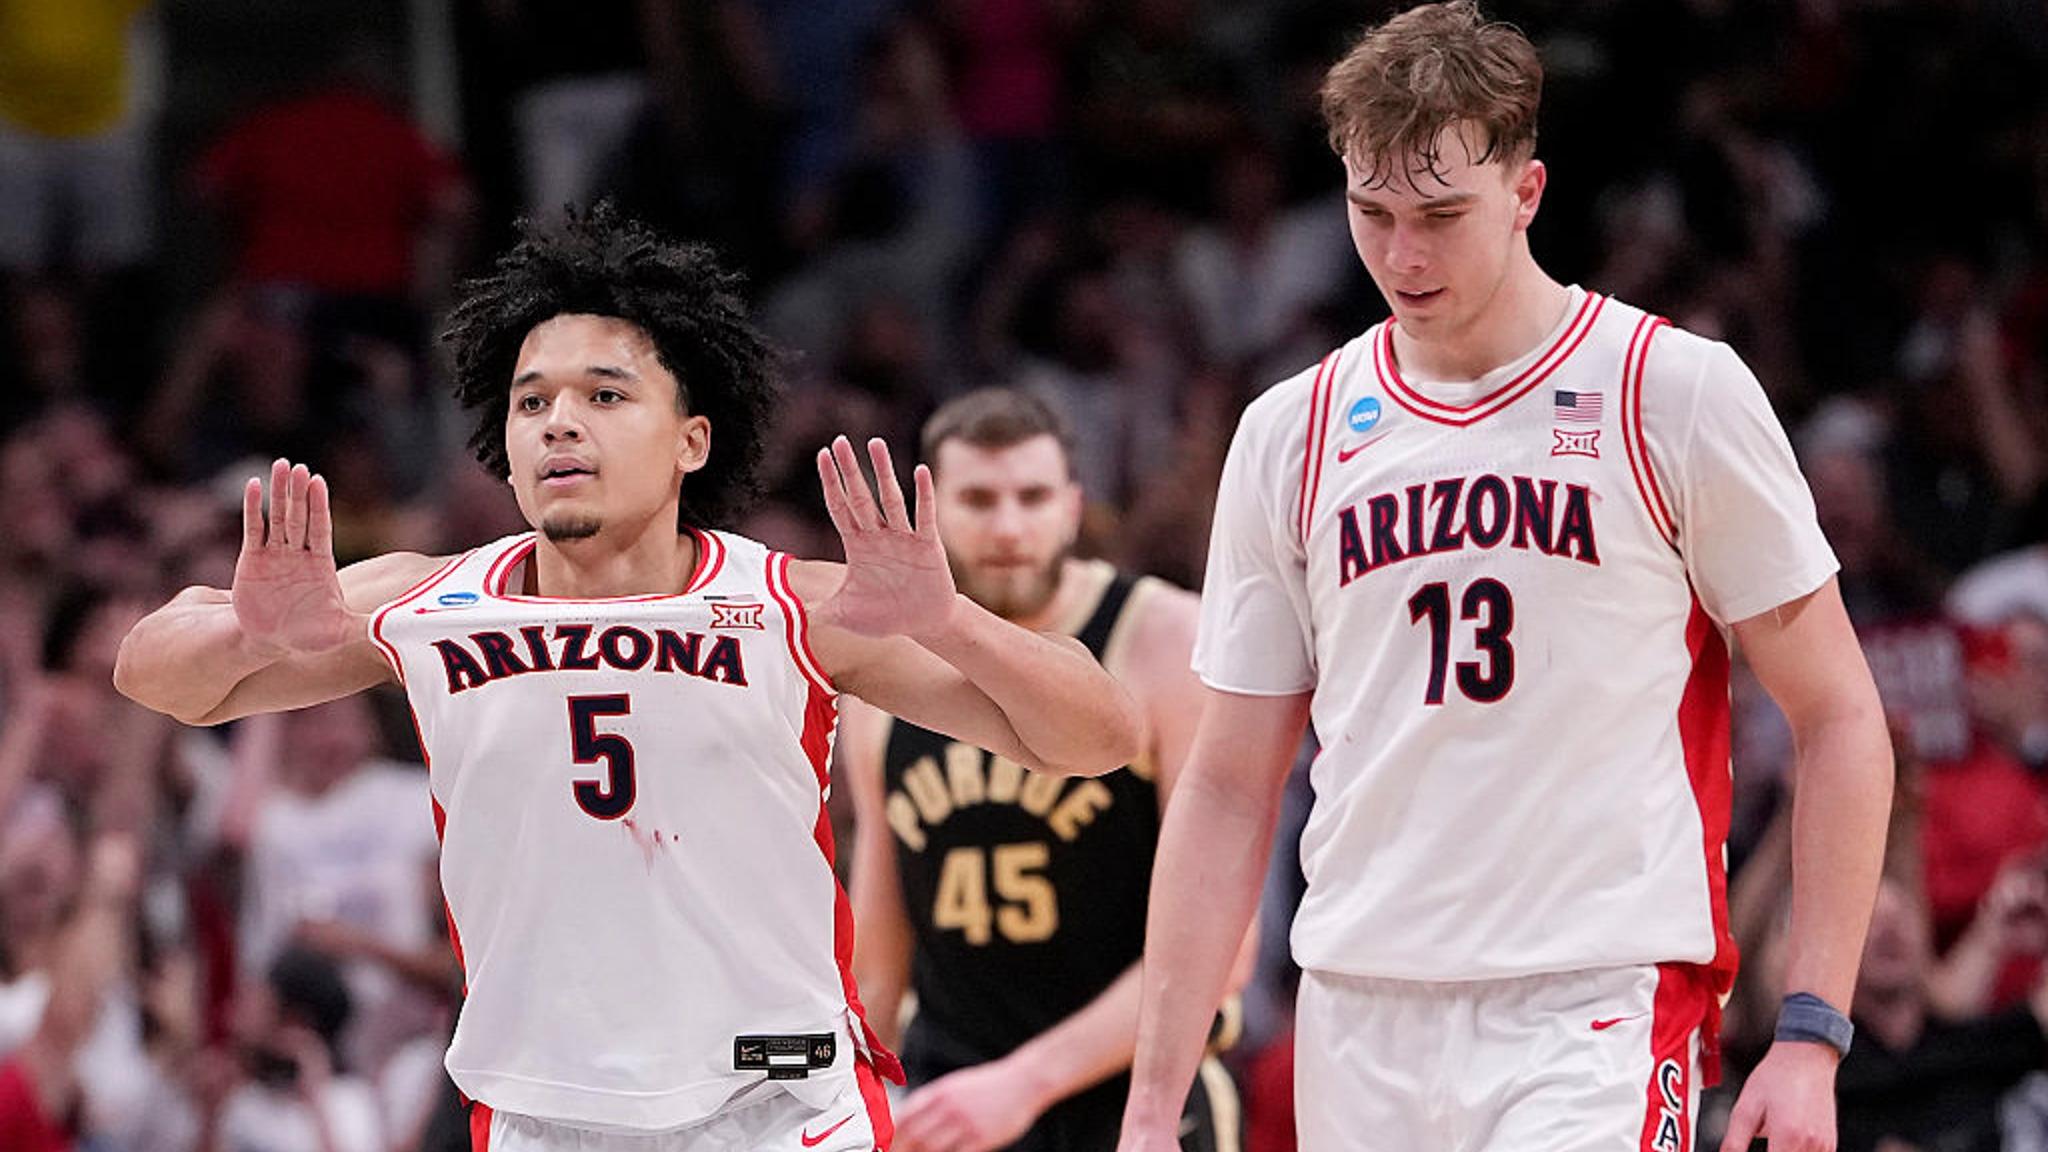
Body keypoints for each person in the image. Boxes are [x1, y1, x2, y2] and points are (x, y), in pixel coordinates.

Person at [113, 203, 1144, 1152]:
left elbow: (1096, 738)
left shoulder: (797, 605)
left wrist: (951, 620)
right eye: (532, 402)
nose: (560, 422)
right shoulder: (422, 601)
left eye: (605, 395)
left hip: (774, 1105)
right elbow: (155, 676)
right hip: (541, 1106)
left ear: (693, 438)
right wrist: (250, 632)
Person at [1114, 5, 1894, 1152]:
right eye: (1369, 214)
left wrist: (1810, 1031)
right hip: (1356, 1005)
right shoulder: (1291, 431)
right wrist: (1149, 1106)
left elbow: (1836, 716)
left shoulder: (1669, 392)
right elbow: (1230, 786)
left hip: (1591, 1001)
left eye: (1440, 215)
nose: (1401, 255)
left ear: (1525, 192)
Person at [844, 389, 1241, 1152]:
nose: (1008, 528)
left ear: (1072, 507)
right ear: (932, 511)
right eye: (978, 499)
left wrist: (1024, 1083)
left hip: (1137, 1094)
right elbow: (881, 933)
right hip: (953, 1092)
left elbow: (1221, 944)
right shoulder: (891, 664)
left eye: (1031, 498)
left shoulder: (1163, 639)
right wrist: (853, 1092)